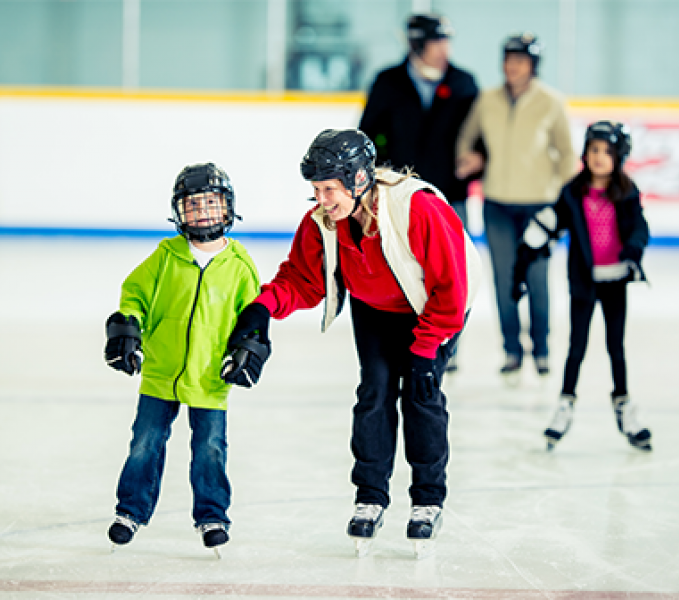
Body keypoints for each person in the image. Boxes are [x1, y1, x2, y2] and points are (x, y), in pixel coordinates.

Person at [226, 129, 481, 558]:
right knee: (374, 394)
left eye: (330, 189)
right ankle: (371, 495)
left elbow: (451, 289)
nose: (322, 200)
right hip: (376, 309)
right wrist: (261, 309)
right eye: (316, 190)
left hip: (433, 308)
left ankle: (427, 500)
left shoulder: (417, 208)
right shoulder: (323, 221)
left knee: (421, 396)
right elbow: (301, 280)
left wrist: (426, 349)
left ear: (359, 179)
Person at [103, 163, 268, 556]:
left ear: (227, 207)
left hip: (210, 376)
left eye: (210, 203)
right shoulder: (165, 256)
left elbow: (254, 316)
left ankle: (212, 515)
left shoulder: (241, 267)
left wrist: (249, 347)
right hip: (161, 371)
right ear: (179, 211)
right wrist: (128, 328)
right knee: (144, 442)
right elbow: (134, 295)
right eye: (192, 205)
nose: (202, 212)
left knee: (210, 447)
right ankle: (131, 511)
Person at [512, 121, 652, 452]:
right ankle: (565, 403)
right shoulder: (573, 193)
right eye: (593, 150)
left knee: (616, 348)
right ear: (584, 154)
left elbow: (639, 228)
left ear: (620, 156)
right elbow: (549, 223)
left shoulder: (628, 193)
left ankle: (624, 404)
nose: (599, 157)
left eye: (607, 151)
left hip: (615, 279)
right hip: (584, 283)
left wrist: (634, 248)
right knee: (577, 348)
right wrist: (523, 260)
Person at [455, 32, 577, 384]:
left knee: (536, 279)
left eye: (521, 60)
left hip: (539, 206)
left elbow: (567, 153)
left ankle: (541, 349)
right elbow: (468, 136)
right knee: (504, 279)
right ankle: (511, 349)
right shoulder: (487, 99)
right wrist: (469, 158)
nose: (513, 66)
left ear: (533, 66)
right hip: (496, 204)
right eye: (508, 59)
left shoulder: (551, 102)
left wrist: (561, 198)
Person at [359, 13, 479, 232]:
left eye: (446, 41)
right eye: (436, 42)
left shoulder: (463, 83)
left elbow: (479, 133)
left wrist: (478, 157)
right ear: (417, 44)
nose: (445, 49)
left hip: (450, 195)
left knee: (453, 262)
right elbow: (368, 134)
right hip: (398, 194)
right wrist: (380, 174)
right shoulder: (388, 82)